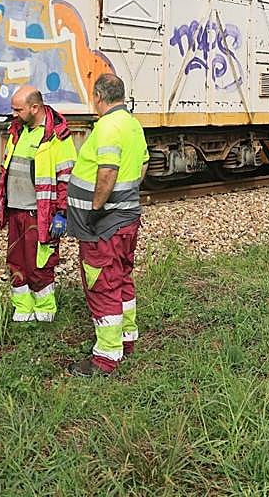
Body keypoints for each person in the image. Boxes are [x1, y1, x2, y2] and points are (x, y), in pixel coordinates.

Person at [65, 73, 148, 376]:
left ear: (99, 96)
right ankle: (127, 339)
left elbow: (108, 172)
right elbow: (142, 166)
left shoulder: (108, 127)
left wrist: (95, 210)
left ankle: (106, 357)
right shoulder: (133, 125)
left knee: (102, 283)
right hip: (127, 219)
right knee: (122, 277)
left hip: (104, 224)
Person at [0, 84, 76, 323]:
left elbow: (66, 177)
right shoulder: (17, 131)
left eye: (18, 109)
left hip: (39, 213)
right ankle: (23, 309)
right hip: (16, 210)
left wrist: (62, 213)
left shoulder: (56, 136)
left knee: (40, 263)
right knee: (16, 261)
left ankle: (45, 311)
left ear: (35, 107)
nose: (13, 114)